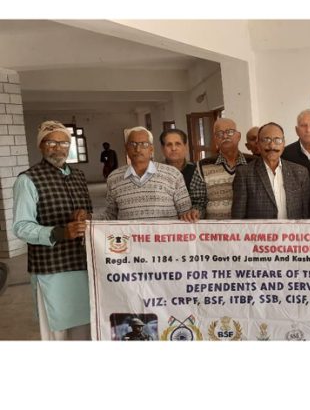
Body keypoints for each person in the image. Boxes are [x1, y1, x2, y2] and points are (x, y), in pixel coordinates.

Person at [12, 121, 92, 340]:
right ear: (41, 145)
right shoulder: (28, 180)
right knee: (58, 333)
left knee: (86, 330)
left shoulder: (78, 176)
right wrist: (60, 232)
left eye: (64, 143)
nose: (59, 148)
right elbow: (21, 227)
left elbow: (89, 213)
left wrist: (84, 216)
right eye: (52, 142)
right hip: (51, 269)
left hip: (83, 264)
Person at [102, 126, 195, 221]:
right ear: (126, 148)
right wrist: (89, 218)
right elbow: (110, 215)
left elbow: (185, 213)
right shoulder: (113, 178)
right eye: (133, 144)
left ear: (151, 149)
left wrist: (190, 215)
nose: (138, 149)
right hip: (130, 236)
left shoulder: (173, 174)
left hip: (164, 235)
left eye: (144, 144)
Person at [232, 122, 310, 219]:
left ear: (283, 143)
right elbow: (238, 217)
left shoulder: (300, 172)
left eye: (277, 140)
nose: (272, 145)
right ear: (259, 144)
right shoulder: (244, 174)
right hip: (258, 234)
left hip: (292, 233)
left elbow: (306, 213)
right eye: (266, 140)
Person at [194, 118, 254, 219]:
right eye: (220, 133)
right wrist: (196, 212)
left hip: (248, 229)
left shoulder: (254, 163)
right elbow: (198, 202)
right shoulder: (202, 166)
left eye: (230, 132)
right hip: (216, 231)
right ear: (215, 139)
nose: (225, 136)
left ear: (238, 136)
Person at [160, 128, 206, 217]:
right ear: (162, 149)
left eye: (178, 144)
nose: (173, 148)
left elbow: (200, 203)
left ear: (186, 147)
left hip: (189, 224)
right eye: (169, 145)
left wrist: (195, 212)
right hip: (162, 224)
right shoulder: (156, 172)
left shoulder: (196, 170)